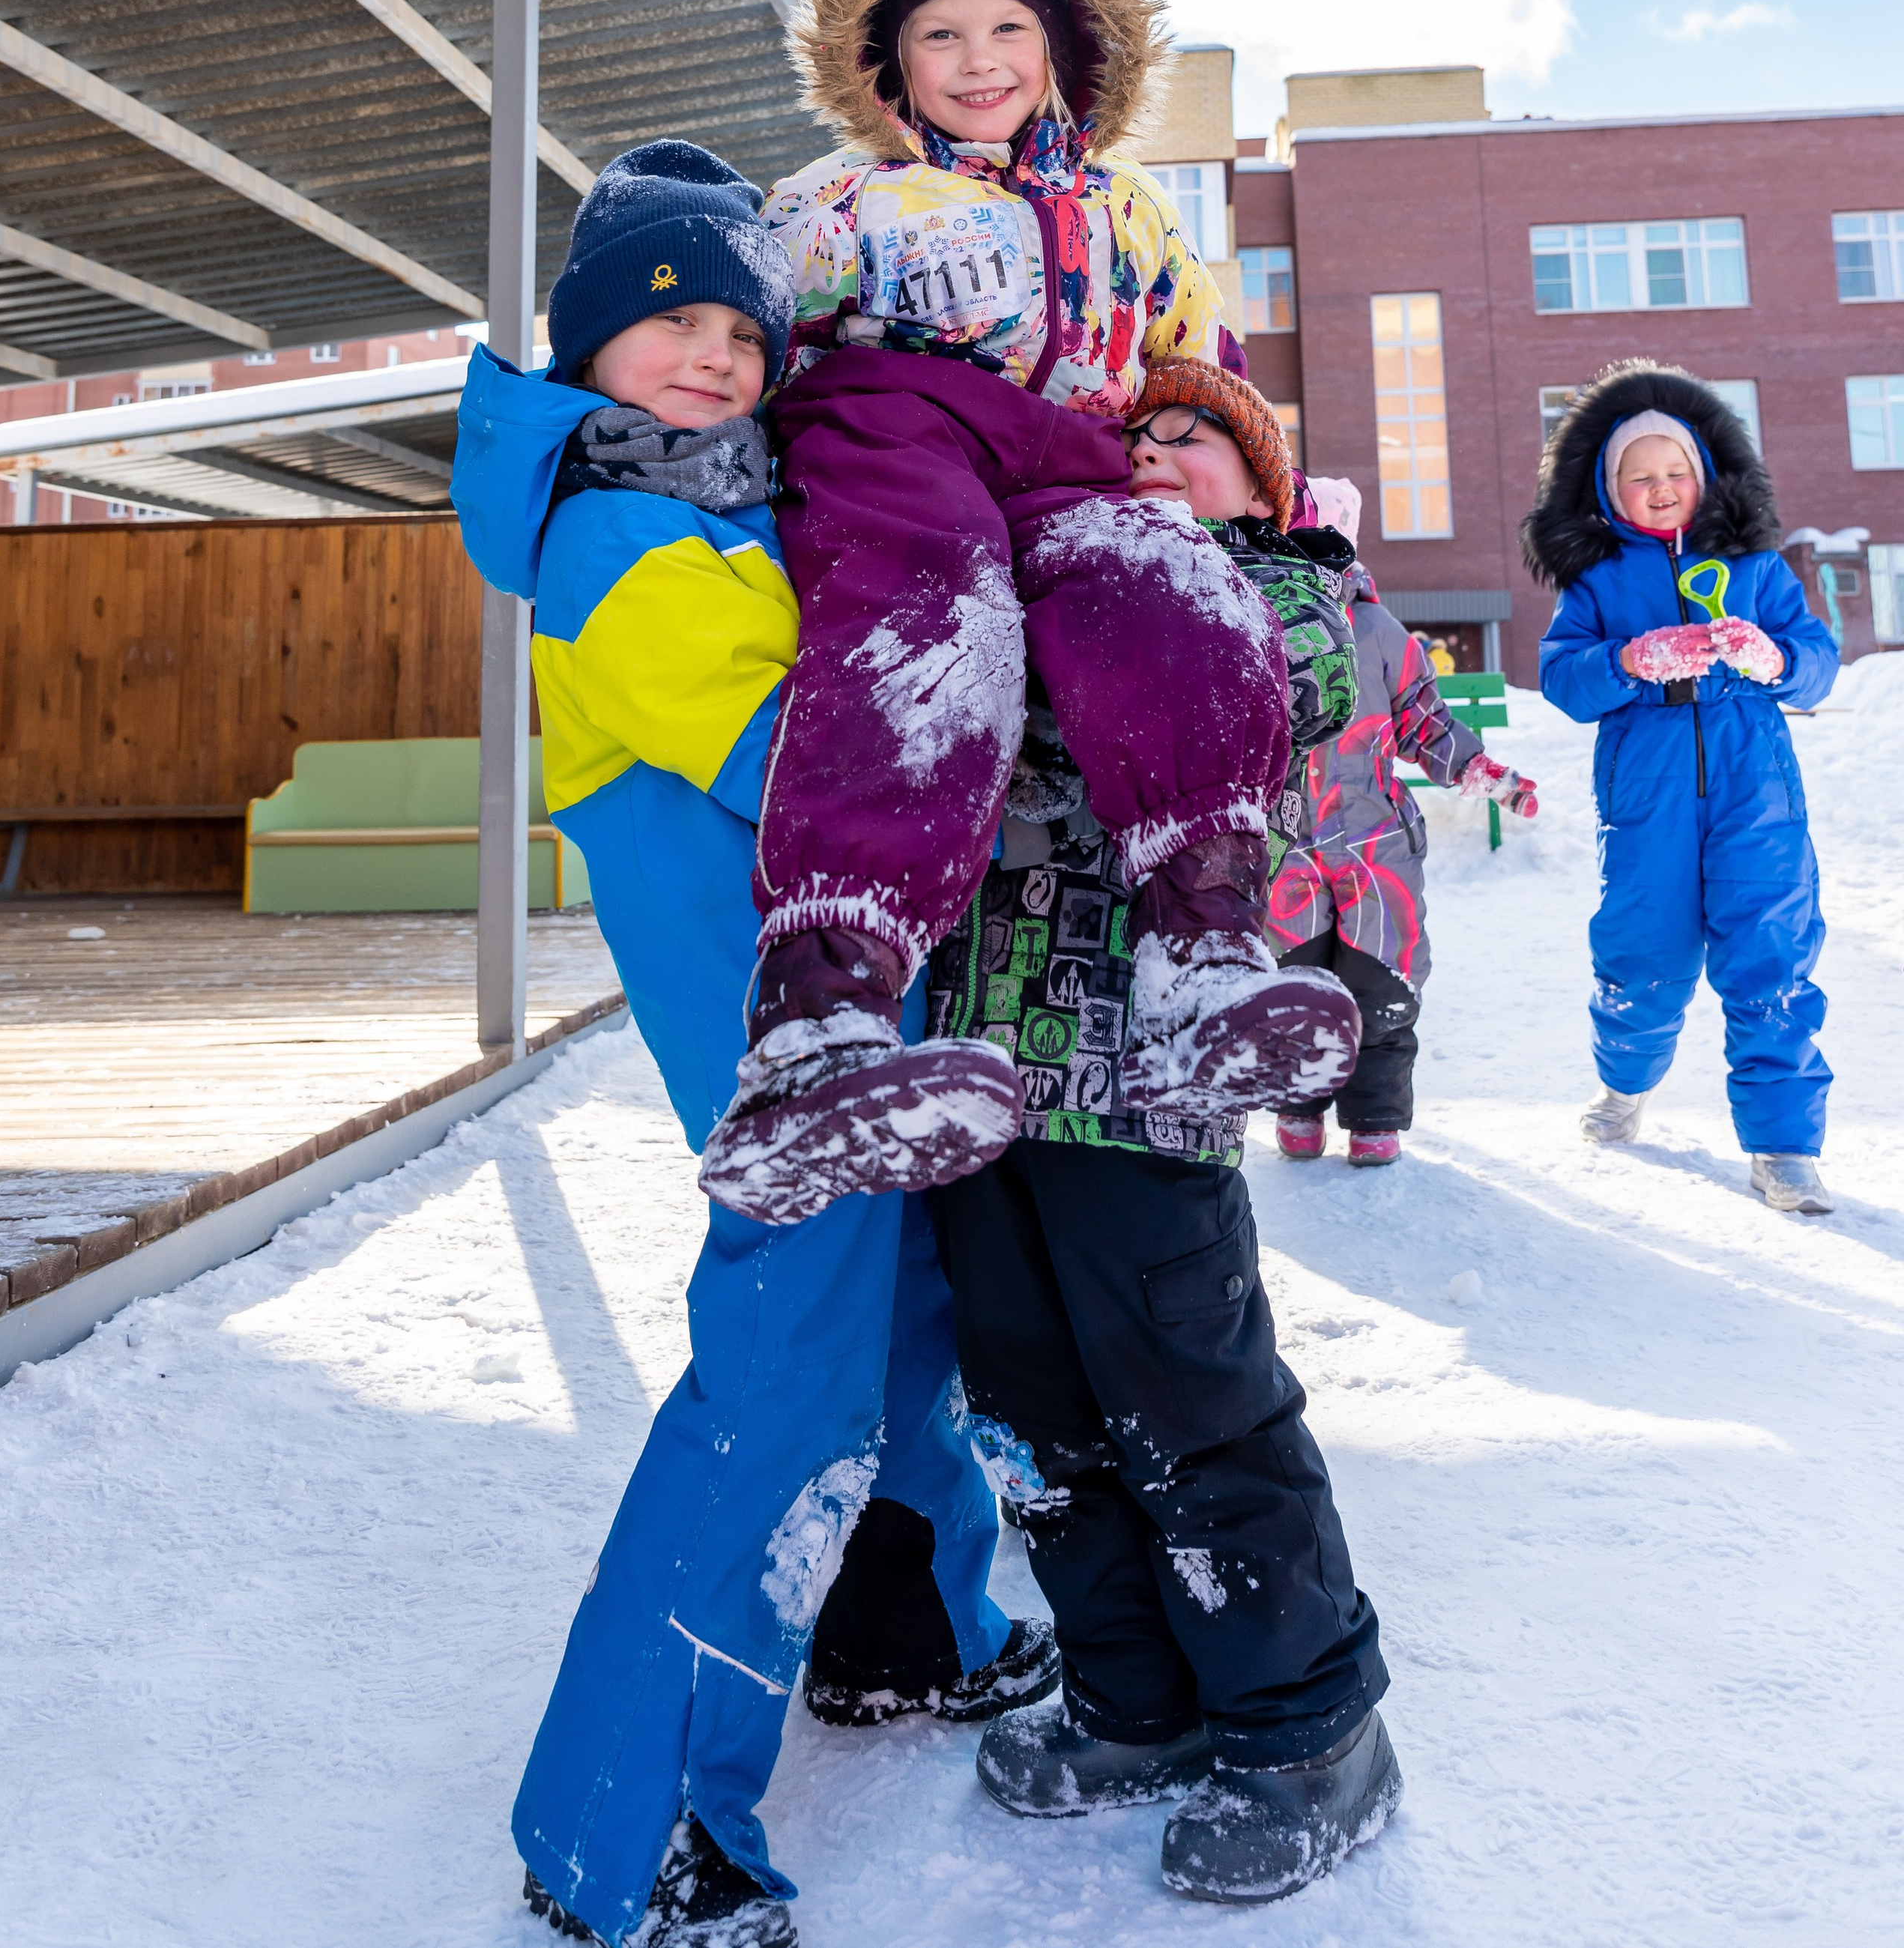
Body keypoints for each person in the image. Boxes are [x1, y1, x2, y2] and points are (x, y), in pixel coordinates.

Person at [451, 142, 1051, 1948]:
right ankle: (617, 1833)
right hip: (774, 1060)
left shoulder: (718, 507)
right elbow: (796, 752)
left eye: (738, 327)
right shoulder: (616, 535)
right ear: (584, 346)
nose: (710, 356)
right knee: (778, 1380)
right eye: (667, 324)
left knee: (903, 1317)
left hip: (853, 1022)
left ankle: (910, 1627)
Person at [699, 0, 1357, 1226]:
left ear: (1065, 51)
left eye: (1008, 28)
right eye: (941, 33)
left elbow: (1199, 364)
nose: (978, 56)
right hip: (894, 423)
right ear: (890, 69)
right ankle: (822, 1011)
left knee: (1161, 579)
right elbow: (739, 329)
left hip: (1068, 453)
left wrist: (1247, 496)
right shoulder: (841, 200)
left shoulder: (1129, 211)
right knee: (932, 613)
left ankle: (1205, 950)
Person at [929, 360, 1400, 1908]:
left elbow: (1302, 688)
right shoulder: (1038, 587)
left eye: (1188, 436)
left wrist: (1151, 566)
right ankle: (1133, 1699)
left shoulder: (1282, 596)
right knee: (1034, 1417)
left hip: (1143, 1095)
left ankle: (1306, 1727)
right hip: (991, 1079)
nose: (1150, 453)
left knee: (1190, 1402)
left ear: (1263, 488)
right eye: (1125, 438)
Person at [1522, 363, 1840, 1215]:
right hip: (1648, 794)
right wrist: (1627, 661)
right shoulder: (1597, 581)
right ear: (1609, 488)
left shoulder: (1756, 566)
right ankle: (1625, 1082)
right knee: (1643, 958)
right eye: (1640, 477)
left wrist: (1773, 659)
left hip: (1755, 790)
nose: (1660, 490)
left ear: (1701, 480)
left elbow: (1816, 665)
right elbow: (1563, 681)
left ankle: (1784, 1144)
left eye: (1675, 474)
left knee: (1770, 956)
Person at [1265, 476, 1539, 1167]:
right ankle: (1300, 1106)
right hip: (1287, 844)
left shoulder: (1379, 632)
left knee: (1381, 981)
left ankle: (1375, 1115)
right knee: (1294, 978)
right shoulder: (1254, 620)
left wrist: (1488, 776)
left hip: (1373, 843)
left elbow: (1426, 722)